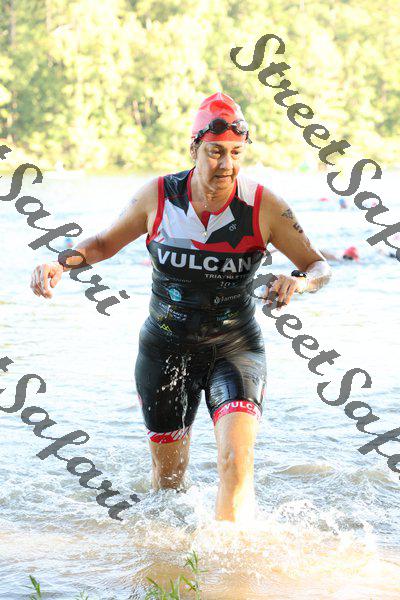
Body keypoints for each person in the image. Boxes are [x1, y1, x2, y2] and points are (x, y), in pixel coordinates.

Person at [29, 92, 331, 522]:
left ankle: (228, 559)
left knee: (235, 464)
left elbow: (319, 266)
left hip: (235, 348)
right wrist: (59, 263)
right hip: (165, 351)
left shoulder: (265, 205)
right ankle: (171, 556)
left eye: (236, 153)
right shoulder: (158, 196)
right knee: (168, 483)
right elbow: (104, 243)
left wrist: (299, 282)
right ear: (194, 149)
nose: (226, 164)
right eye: (215, 152)